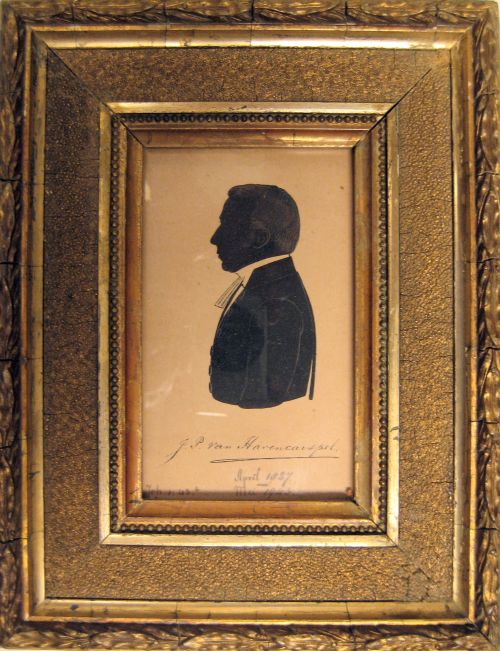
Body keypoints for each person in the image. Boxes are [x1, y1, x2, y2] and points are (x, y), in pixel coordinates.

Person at [209, 184, 316, 409]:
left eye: (227, 226)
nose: (215, 238)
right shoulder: (264, 286)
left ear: (259, 238)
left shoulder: (278, 302)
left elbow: (265, 402)